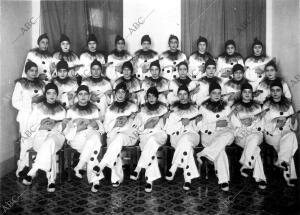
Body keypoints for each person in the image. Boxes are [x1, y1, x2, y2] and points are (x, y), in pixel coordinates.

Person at [93, 82, 139, 187]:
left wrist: (128, 120)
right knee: (115, 143)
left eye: (123, 92)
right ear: (115, 94)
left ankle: (102, 165)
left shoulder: (133, 106)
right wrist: (115, 123)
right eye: (118, 92)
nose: (120, 94)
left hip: (129, 135)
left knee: (118, 138)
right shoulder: (110, 109)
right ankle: (115, 178)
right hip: (114, 133)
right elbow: (105, 127)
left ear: (126, 93)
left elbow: (137, 124)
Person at [22, 83, 66, 192]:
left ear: (57, 94)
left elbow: (64, 128)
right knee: (49, 147)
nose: (52, 95)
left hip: (56, 136)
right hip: (40, 135)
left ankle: (33, 171)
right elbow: (30, 125)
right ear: (45, 94)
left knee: (51, 141)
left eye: (54, 93)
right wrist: (40, 125)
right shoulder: (38, 107)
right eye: (49, 93)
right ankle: (51, 180)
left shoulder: (62, 109)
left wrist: (58, 125)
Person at [64, 85, 105, 192]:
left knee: (95, 137)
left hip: (91, 134)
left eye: (86, 94)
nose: (83, 96)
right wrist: (78, 127)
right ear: (77, 96)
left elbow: (100, 127)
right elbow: (67, 132)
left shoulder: (94, 108)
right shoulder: (71, 110)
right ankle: (95, 180)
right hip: (77, 137)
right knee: (92, 148)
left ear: (89, 96)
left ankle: (79, 166)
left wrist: (94, 124)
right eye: (80, 94)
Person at [197, 82, 234, 191]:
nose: (217, 95)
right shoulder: (203, 107)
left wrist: (226, 124)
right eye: (214, 93)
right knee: (220, 150)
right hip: (209, 135)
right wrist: (216, 124)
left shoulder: (226, 106)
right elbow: (199, 126)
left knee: (230, 133)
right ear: (210, 94)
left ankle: (205, 153)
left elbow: (230, 123)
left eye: (219, 93)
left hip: (223, 134)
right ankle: (224, 181)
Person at [130, 87, 168, 192]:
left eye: (153, 96)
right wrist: (146, 125)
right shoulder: (141, 109)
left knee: (152, 142)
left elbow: (167, 127)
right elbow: (136, 127)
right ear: (146, 97)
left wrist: (164, 119)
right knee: (150, 147)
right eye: (149, 96)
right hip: (145, 135)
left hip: (159, 135)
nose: (151, 98)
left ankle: (138, 168)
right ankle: (149, 181)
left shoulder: (163, 109)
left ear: (157, 97)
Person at [230, 83, 267, 190]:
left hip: (256, 134)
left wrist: (251, 124)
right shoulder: (235, 107)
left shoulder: (258, 107)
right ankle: (259, 177)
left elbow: (261, 124)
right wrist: (243, 125)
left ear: (252, 94)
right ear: (241, 94)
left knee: (254, 138)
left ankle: (247, 165)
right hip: (242, 136)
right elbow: (233, 125)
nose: (247, 94)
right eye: (245, 92)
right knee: (255, 148)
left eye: (249, 92)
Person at [164, 85, 201, 190]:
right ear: (177, 96)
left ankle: (174, 167)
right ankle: (187, 179)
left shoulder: (195, 109)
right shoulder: (173, 110)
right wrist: (181, 124)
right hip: (176, 138)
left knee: (186, 140)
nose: (183, 97)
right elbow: (169, 130)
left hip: (192, 136)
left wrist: (197, 122)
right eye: (180, 94)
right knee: (186, 145)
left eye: (185, 94)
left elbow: (198, 129)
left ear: (189, 96)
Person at [263, 80, 298, 187]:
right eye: (273, 90)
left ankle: (281, 161)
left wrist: (292, 120)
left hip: (286, 132)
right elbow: (264, 124)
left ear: (282, 92)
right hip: (272, 134)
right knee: (288, 146)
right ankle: (290, 176)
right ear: (270, 92)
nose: (275, 93)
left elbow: (293, 127)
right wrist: (276, 123)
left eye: (278, 90)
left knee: (291, 136)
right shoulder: (266, 105)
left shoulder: (288, 105)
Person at [12, 61, 45, 178]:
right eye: (31, 70)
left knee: (36, 141)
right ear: (26, 71)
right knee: (26, 142)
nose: (34, 73)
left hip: (38, 117)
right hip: (26, 117)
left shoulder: (41, 84)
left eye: (36, 71)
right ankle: (21, 168)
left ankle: (32, 168)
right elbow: (15, 102)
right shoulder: (20, 84)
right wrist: (30, 102)